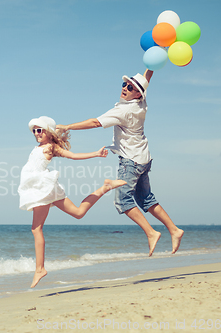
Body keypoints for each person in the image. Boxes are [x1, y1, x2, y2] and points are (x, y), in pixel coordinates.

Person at [56, 70, 184, 257]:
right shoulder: (141, 102)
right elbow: (147, 78)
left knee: (122, 201)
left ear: (137, 93)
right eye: (124, 84)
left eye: (130, 87)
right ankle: (174, 229)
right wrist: (156, 53)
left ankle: (151, 232)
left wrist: (68, 126)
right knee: (146, 198)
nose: (125, 88)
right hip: (144, 158)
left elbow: (95, 122)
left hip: (131, 161)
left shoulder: (123, 110)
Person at [18, 116, 126, 288]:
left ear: (48, 132)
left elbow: (73, 156)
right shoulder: (39, 147)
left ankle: (40, 269)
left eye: (40, 130)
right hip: (43, 188)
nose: (36, 133)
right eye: (34, 130)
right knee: (78, 213)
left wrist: (96, 154)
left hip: (42, 188)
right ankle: (105, 188)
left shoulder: (51, 147)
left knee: (36, 229)